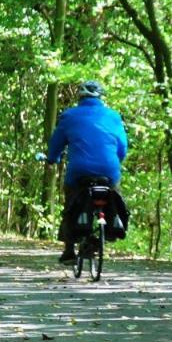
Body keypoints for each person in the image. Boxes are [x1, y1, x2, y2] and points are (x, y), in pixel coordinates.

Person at [45, 81, 128, 263]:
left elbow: (56, 145)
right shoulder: (113, 116)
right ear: (100, 96)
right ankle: (111, 229)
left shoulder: (69, 116)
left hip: (79, 171)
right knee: (114, 193)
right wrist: (114, 163)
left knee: (71, 203)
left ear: (80, 97)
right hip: (109, 169)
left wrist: (52, 159)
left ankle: (68, 251)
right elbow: (122, 148)